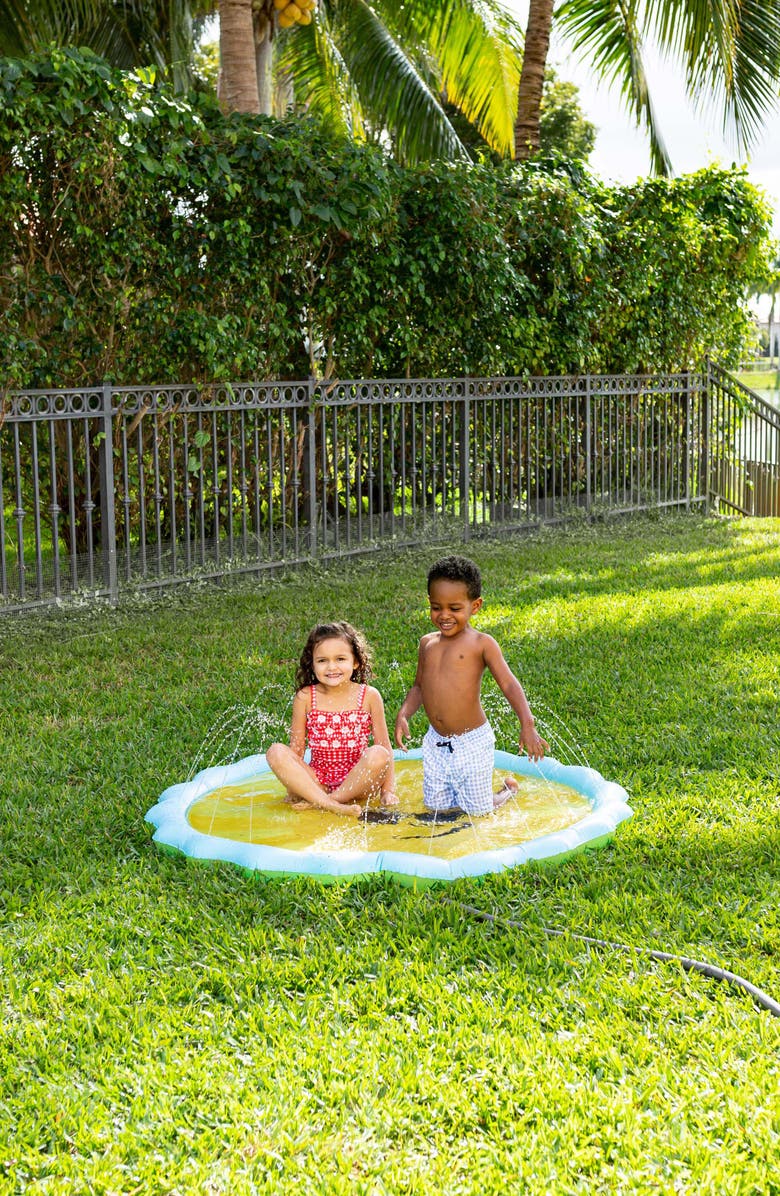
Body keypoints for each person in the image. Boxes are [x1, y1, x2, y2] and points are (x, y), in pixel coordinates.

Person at [394, 555, 548, 817]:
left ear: (474, 606)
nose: (444, 615)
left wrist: (528, 724)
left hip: (472, 742)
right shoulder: (427, 644)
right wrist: (404, 713)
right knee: (437, 811)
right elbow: (419, 686)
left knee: (478, 812)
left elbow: (509, 684)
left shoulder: (481, 644)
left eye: (454, 608)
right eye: (436, 607)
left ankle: (504, 794)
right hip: (436, 742)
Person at [266, 621, 398, 818]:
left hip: (357, 785)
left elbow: (385, 747)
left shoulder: (369, 696)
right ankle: (332, 804)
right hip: (319, 782)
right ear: (312, 663)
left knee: (378, 753)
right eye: (322, 661)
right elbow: (297, 750)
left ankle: (327, 802)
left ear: (356, 661)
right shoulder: (305, 697)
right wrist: (294, 788)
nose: (331, 667)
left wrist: (388, 791)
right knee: (275, 751)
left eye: (340, 659)